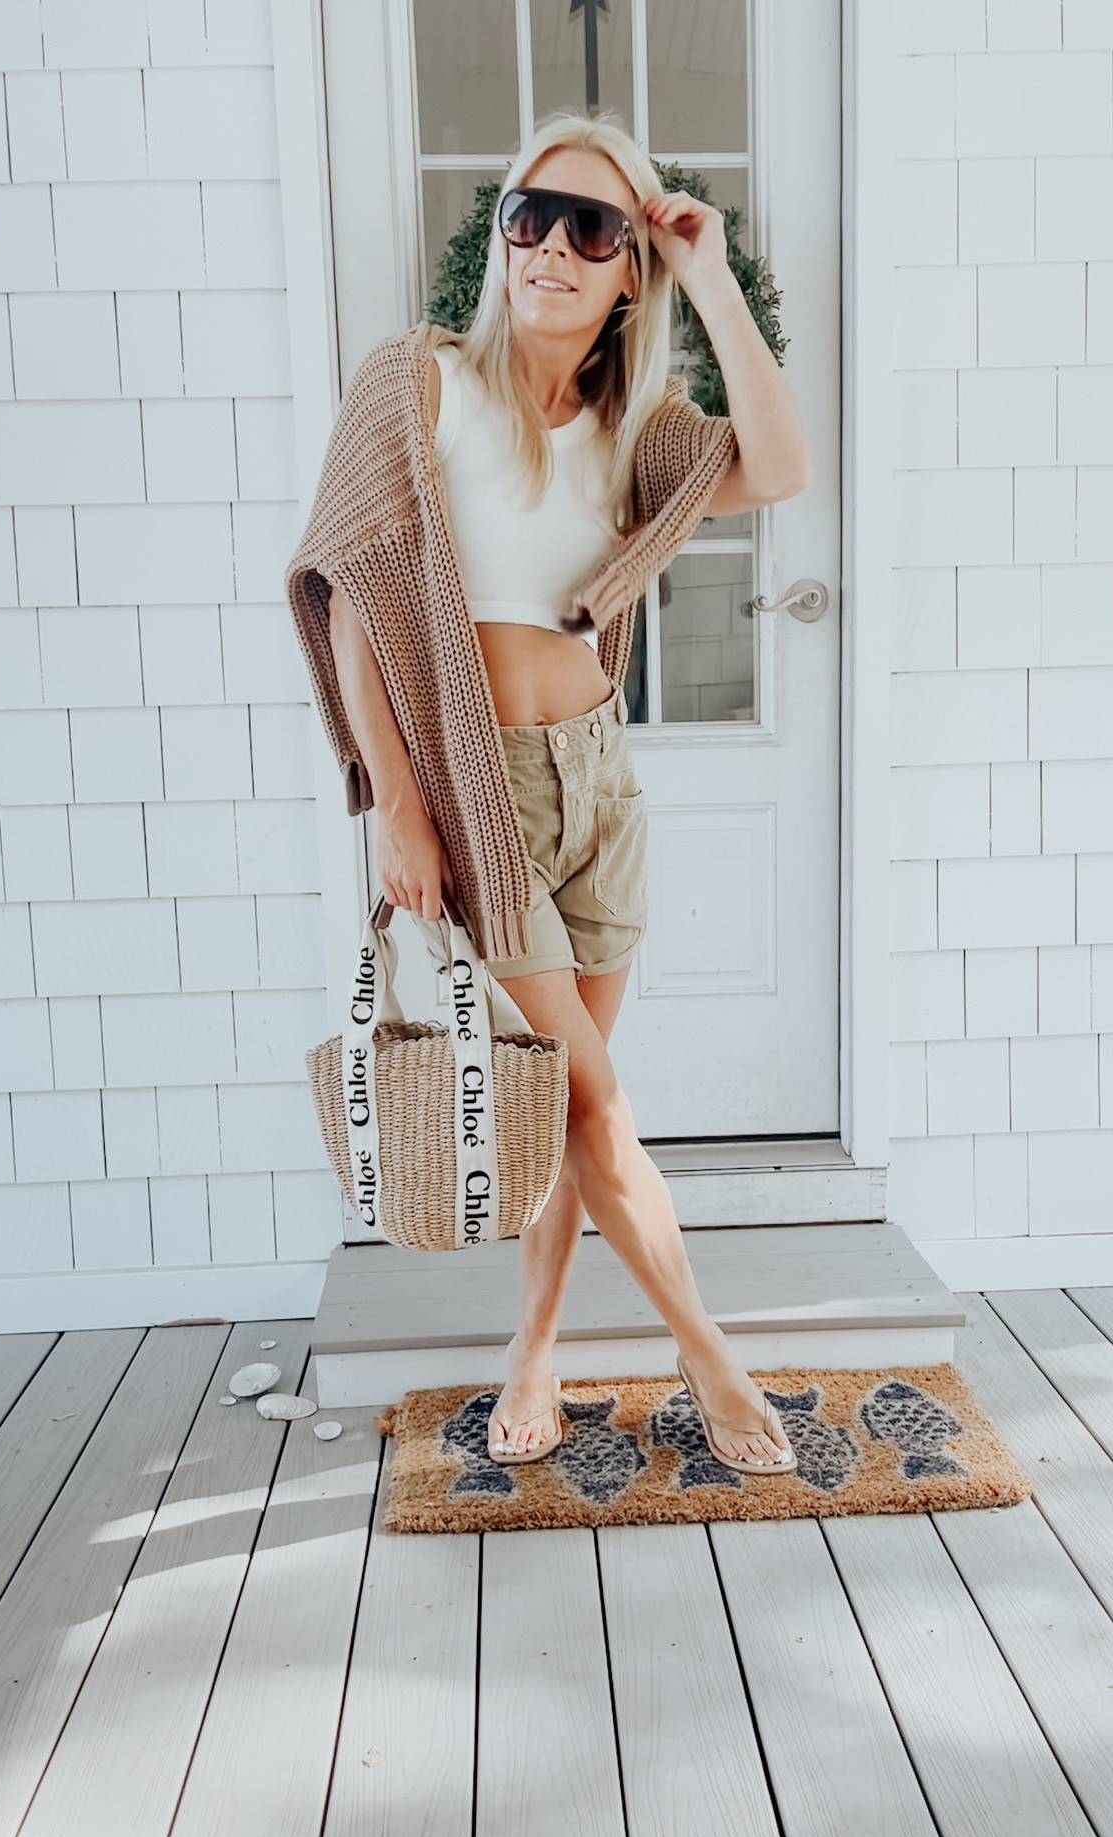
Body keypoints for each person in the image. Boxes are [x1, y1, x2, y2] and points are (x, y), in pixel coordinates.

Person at [286, 113, 811, 1471]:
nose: (550, 250)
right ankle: (714, 1361)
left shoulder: (639, 434)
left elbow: (787, 463)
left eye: (591, 229)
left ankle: (536, 1349)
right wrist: (397, 805)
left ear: (627, 267)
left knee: (564, 1109)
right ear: (502, 232)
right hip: (482, 796)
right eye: (529, 215)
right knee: (589, 1104)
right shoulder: (415, 386)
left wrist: (709, 277)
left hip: (600, 790)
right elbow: (347, 589)